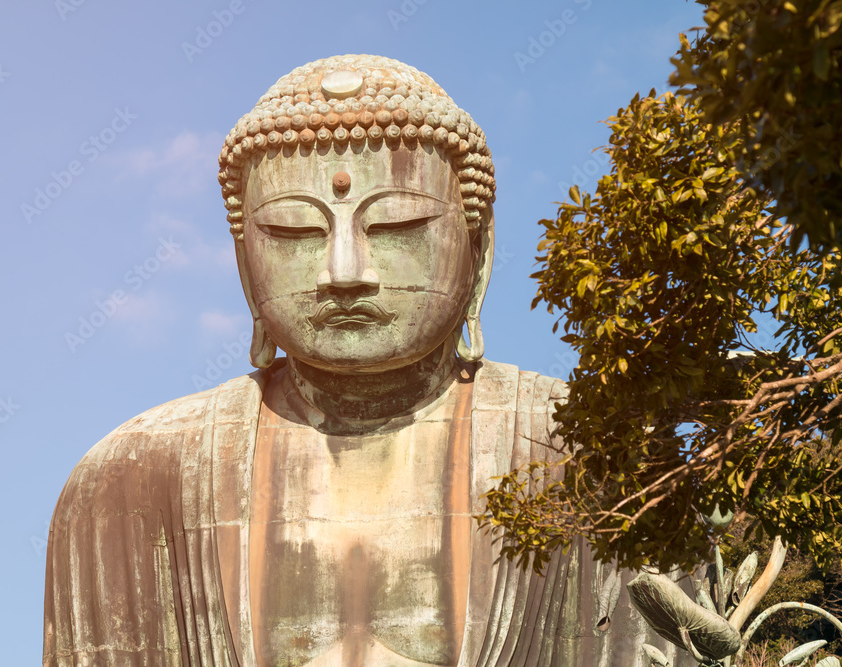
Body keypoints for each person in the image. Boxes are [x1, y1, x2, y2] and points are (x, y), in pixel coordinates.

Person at [43, 54, 692, 666]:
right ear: (244, 260)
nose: (344, 272)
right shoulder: (133, 479)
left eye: (397, 225)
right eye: (295, 231)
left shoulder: (586, 449)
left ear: (478, 246)